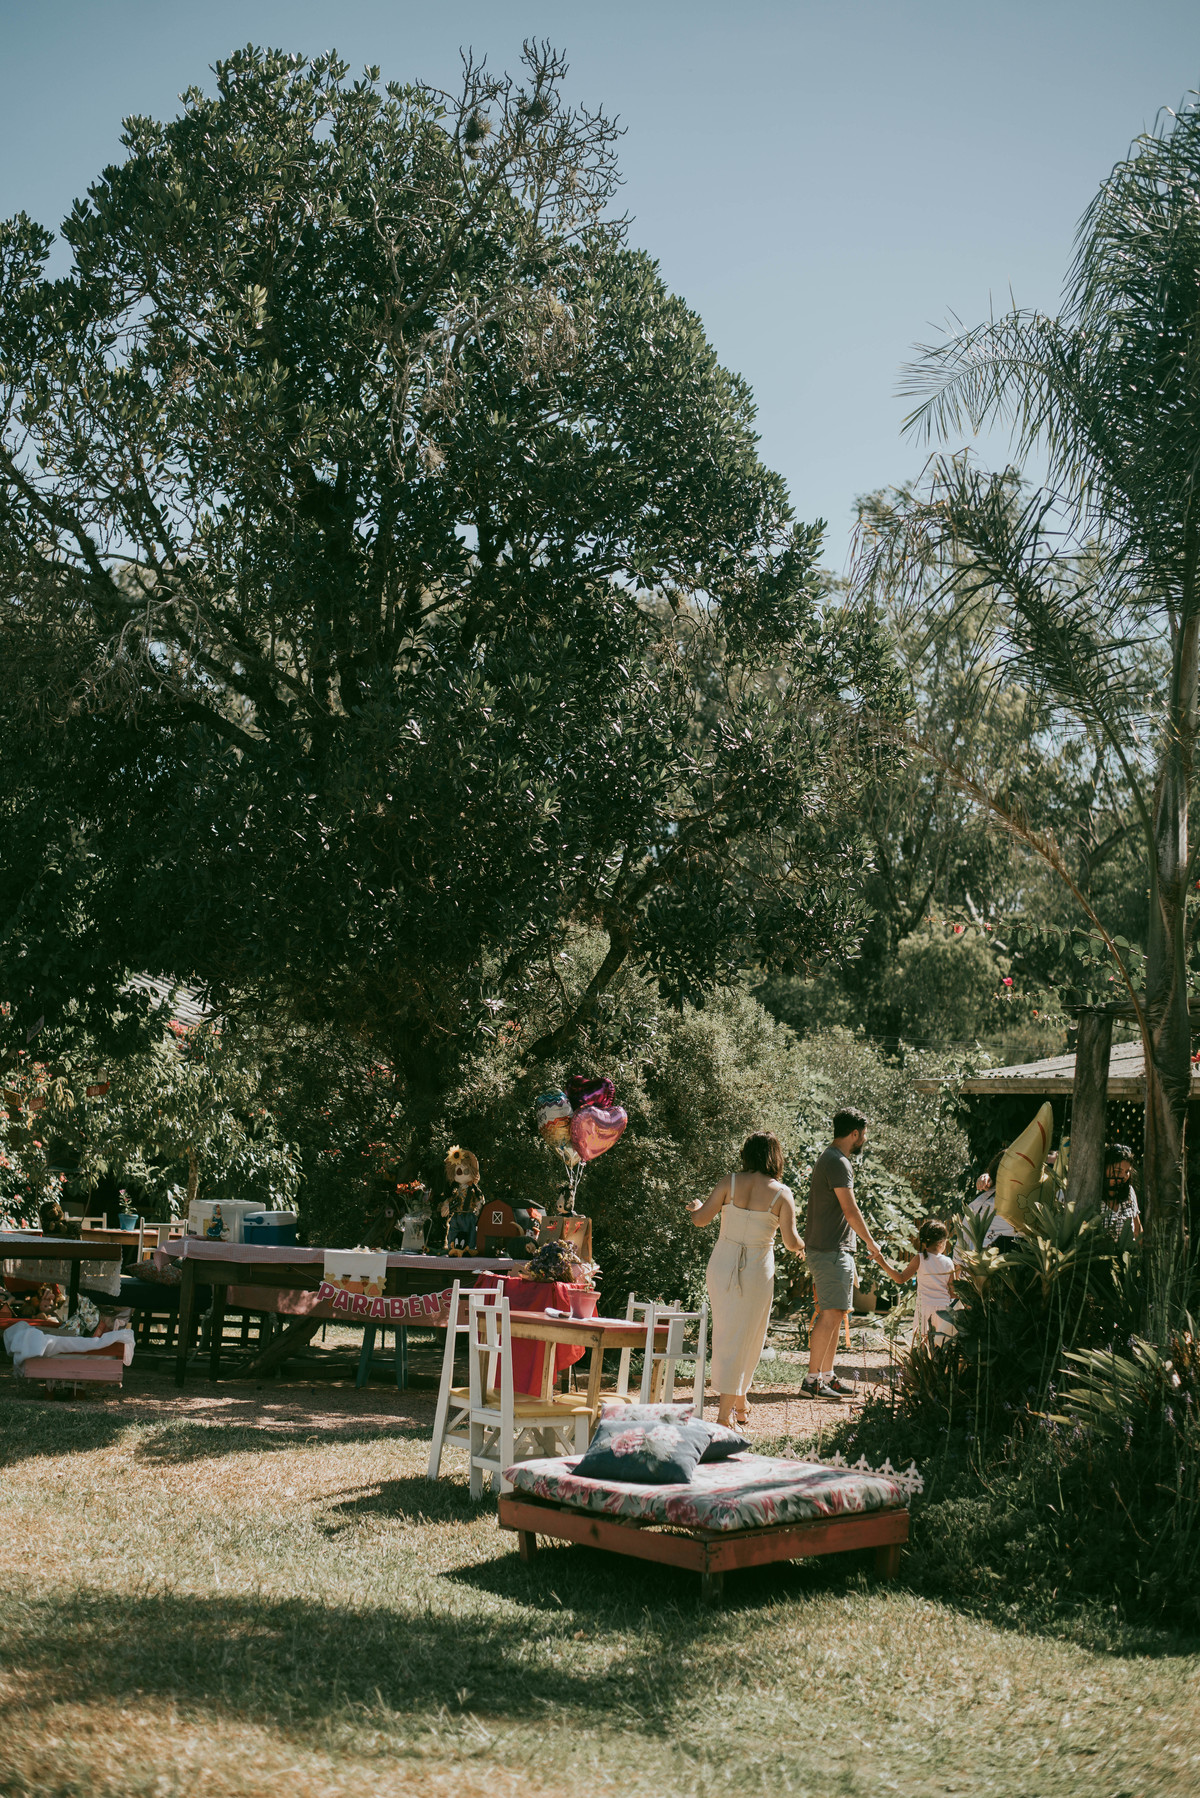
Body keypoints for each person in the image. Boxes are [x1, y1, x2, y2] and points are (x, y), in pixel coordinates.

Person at [687, 1131, 803, 1430]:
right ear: (775, 1157)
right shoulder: (782, 1193)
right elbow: (791, 1242)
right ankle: (723, 1417)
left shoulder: (729, 1182)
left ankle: (740, 1402)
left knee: (728, 1332)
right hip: (756, 1268)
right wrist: (804, 1245)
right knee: (745, 1337)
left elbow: (700, 1220)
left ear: (747, 1154)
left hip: (722, 1263)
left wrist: (697, 1207)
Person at [802, 1107, 887, 1402]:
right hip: (831, 1250)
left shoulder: (833, 1158)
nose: (865, 1139)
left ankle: (827, 1377)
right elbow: (850, 1210)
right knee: (830, 1315)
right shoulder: (838, 1162)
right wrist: (871, 1243)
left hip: (833, 1249)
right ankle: (812, 1381)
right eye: (864, 1134)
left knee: (836, 1314)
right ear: (854, 1133)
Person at [878, 1218, 957, 1343]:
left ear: (924, 1242)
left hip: (924, 1308)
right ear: (942, 1242)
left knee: (923, 1345)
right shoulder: (949, 1262)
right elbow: (952, 1292)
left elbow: (900, 1279)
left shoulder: (919, 1258)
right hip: (944, 1309)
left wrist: (882, 1261)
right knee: (941, 1344)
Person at [1100, 1143, 1142, 1239]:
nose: (1123, 1176)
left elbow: (1137, 1230)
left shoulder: (1129, 1192)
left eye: (1127, 1172)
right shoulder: (1094, 1195)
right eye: (1117, 1171)